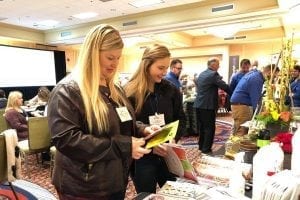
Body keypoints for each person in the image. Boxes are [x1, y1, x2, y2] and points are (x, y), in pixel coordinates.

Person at [47, 24, 153, 200]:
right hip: (83, 187)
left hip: (113, 180)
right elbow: (67, 140)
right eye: (110, 57)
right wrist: (124, 146)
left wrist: (142, 130)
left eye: (118, 58)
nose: (115, 64)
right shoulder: (68, 90)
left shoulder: (115, 88)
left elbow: (120, 123)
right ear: (91, 54)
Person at [124, 44, 186, 194]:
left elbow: (181, 119)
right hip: (142, 157)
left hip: (167, 154)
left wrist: (174, 139)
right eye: (160, 68)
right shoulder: (129, 91)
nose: (164, 72)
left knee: (172, 194)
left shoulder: (171, 90)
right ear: (146, 65)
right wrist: (151, 144)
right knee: (146, 195)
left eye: (166, 68)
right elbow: (126, 127)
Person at [193, 57, 231, 153]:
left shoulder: (202, 74)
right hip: (207, 105)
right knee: (209, 128)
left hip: (198, 104)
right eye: (218, 64)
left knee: (202, 127)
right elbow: (224, 86)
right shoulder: (213, 74)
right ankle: (206, 149)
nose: (219, 66)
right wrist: (235, 93)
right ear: (213, 65)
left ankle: (201, 147)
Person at [230, 64, 274, 136]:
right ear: (269, 72)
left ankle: (234, 145)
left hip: (240, 104)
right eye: (274, 76)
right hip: (242, 106)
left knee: (238, 128)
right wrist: (264, 113)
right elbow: (256, 100)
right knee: (242, 131)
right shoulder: (256, 79)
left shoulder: (255, 75)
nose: (273, 78)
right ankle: (237, 146)